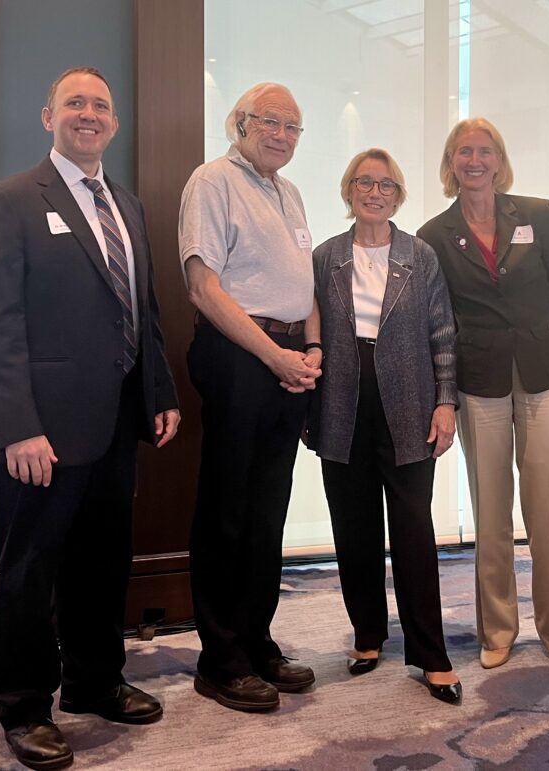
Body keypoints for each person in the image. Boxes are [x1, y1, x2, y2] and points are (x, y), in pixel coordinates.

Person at [0, 67, 179, 770]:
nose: (89, 114)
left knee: (102, 560)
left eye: (101, 106)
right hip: (41, 430)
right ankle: (24, 706)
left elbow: (141, 311)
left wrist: (159, 392)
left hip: (116, 420)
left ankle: (94, 681)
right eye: (75, 103)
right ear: (48, 115)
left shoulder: (127, 204)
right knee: (30, 568)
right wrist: (19, 425)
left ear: (113, 125)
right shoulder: (11, 200)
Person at [417, 118, 549, 674]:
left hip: (545, 369)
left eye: (485, 151)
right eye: (464, 151)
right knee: (490, 509)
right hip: (480, 378)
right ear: (451, 162)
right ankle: (499, 628)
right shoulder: (434, 234)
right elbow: (440, 313)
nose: (475, 160)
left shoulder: (538, 214)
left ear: (499, 159)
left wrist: (530, 328)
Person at [178, 82, 320, 712]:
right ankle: (220, 659)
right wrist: (274, 356)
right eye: (270, 122)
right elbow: (203, 289)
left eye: (292, 127)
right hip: (240, 357)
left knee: (268, 512)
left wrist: (313, 352)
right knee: (227, 512)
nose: (282, 135)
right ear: (239, 123)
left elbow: (305, 281)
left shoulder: (288, 193)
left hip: (288, 359)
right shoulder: (212, 181)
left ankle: (257, 638)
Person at [311, 149, 462, 705]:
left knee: (413, 533)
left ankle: (430, 653)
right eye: (363, 183)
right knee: (354, 531)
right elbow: (312, 334)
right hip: (343, 406)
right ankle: (368, 634)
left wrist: (446, 403)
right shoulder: (326, 257)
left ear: (398, 196)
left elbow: (443, 333)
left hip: (409, 406)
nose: (374, 192)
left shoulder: (419, 255)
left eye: (386, 185)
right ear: (348, 191)